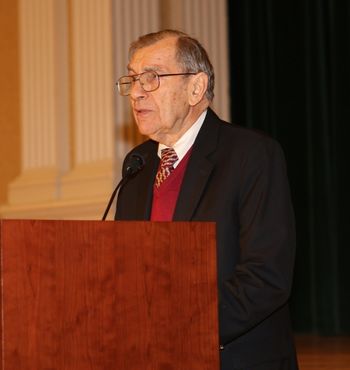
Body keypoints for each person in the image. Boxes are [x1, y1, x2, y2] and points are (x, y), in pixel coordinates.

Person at [115, 29, 298, 370]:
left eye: (151, 77)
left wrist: (185, 330)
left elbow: (266, 275)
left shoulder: (251, 154)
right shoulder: (137, 168)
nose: (136, 92)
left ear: (196, 88)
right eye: (133, 78)